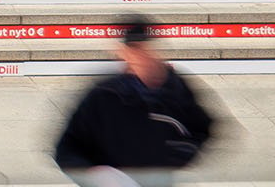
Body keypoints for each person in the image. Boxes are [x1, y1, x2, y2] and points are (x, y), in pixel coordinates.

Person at [55, 19, 215, 185]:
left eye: (146, 49)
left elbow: (202, 128)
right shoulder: (103, 94)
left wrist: (174, 156)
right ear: (123, 53)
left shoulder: (175, 90)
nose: (141, 56)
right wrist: (95, 175)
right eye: (135, 49)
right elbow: (67, 146)